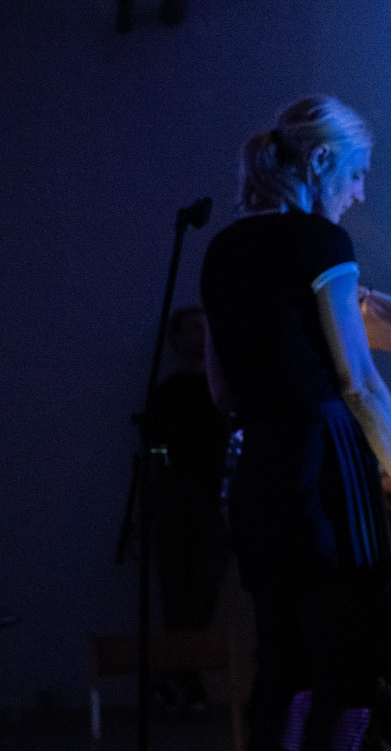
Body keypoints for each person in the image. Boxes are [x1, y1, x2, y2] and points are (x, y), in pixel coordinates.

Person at [200, 96, 391, 751]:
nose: (359, 193)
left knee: (284, 669)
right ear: (320, 161)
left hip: (259, 472)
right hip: (325, 470)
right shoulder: (322, 242)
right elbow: (361, 383)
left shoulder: (222, 249)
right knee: (349, 672)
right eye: (355, 173)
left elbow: (221, 389)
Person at [150, 304, 233, 714]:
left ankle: (180, 679)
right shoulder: (167, 392)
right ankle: (183, 680)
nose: (199, 337)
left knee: (201, 594)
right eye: (190, 329)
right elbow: (156, 449)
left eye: (204, 328)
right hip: (176, 505)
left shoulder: (225, 391)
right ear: (175, 340)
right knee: (178, 594)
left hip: (214, 505)